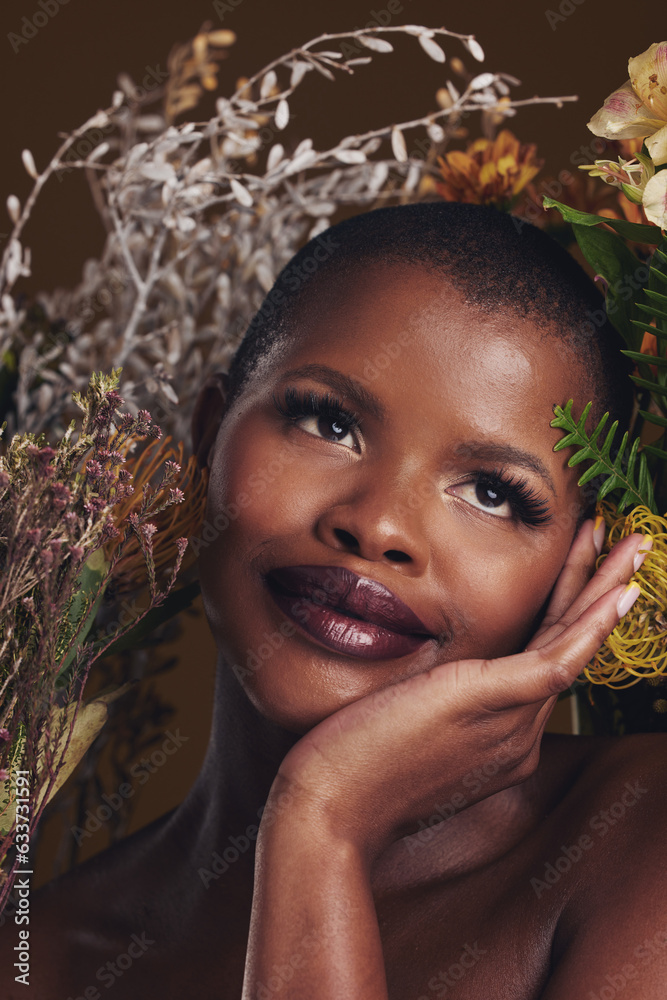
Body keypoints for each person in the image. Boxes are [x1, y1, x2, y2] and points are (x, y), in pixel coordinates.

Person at [10, 202, 667, 999]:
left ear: (579, 564)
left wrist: (319, 825)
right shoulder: (39, 959)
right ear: (210, 436)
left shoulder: (639, 840)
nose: (380, 524)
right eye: (329, 422)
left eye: (492, 493)